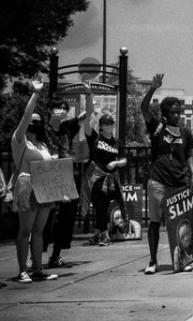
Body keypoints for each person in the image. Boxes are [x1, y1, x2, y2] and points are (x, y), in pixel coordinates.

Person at [141, 73, 193, 274]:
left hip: (179, 183)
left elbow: (189, 154)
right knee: (155, 222)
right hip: (158, 181)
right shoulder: (158, 127)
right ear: (165, 114)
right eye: (174, 112)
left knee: (180, 223)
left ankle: (183, 258)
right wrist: (153, 88)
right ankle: (153, 261)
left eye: (179, 112)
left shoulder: (185, 132)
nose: (177, 115)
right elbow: (143, 109)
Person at [11, 80, 59, 283]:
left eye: (38, 120)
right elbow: (25, 116)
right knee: (25, 230)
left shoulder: (41, 144)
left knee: (39, 231)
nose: (35, 123)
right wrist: (36, 94)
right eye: (34, 120)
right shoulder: (20, 140)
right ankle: (23, 270)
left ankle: (38, 268)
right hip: (28, 184)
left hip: (44, 187)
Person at [81, 82, 128, 247]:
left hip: (112, 179)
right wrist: (89, 95)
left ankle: (98, 234)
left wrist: (115, 162)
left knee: (108, 206)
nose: (109, 126)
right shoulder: (95, 138)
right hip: (96, 177)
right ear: (100, 126)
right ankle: (104, 235)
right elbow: (87, 120)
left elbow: (124, 160)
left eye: (111, 124)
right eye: (106, 124)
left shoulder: (117, 142)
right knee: (100, 205)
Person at [44, 95, 84, 267]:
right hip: (48, 177)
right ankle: (35, 257)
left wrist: (88, 95)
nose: (62, 111)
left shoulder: (67, 127)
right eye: (58, 107)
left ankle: (56, 255)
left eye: (65, 108)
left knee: (66, 219)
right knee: (45, 218)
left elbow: (86, 114)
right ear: (49, 110)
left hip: (67, 176)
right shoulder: (42, 129)